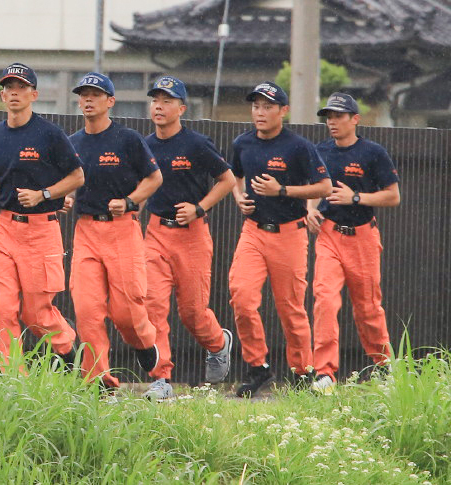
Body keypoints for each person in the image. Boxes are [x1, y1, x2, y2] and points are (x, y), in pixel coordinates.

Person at [0, 63, 84, 366]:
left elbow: (77, 177)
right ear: (2, 96)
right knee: (1, 309)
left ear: (34, 94)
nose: (14, 92)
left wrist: (44, 195)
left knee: (36, 315)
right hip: (5, 230)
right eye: (9, 87)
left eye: (21, 87)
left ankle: (70, 351)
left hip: (42, 231)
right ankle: (9, 375)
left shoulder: (50, 134)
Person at [229, 81, 332, 398]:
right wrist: (238, 197)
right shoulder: (242, 143)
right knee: (242, 297)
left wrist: (282, 190)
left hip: (289, 233)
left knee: (291, 308)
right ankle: (257, 367)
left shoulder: (298, 146)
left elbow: (324, 187)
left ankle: (302, 372)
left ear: (283, 111)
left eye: (267, 107)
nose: (260, 112)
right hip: (253, 231)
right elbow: (234, 176)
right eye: (256, 106)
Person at [141, 76, 236, 400]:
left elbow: (227, 180)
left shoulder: (196, 144)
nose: (159, 107)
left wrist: (199, 207)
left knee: (193, 312)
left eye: (166, 101)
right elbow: (140, 187)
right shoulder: (145, 146)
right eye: (155, 100)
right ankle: (161, 379)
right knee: (153, 305)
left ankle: (218, 343)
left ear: (181, 109)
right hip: (156, 233)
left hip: (193, 237)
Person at [67, 72, 162, 391]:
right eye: (84, 95)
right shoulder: (73, 143)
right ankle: (98, 380)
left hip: (122, 231)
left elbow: (154, 178)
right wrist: (64, 198)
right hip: (86, 231)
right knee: (87, 310)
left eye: (95, 94)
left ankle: (144, 341)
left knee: (126, 312)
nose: (88, 99)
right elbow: (68, 182)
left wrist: (130, 201)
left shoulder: (127, 139)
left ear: (110, 101)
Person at [307, 93, 400, 394]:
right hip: (329, 235)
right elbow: (314, 188)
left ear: (355, 119)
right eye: (329, 117)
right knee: (325, 300)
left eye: (338, 116)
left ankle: (384, 366)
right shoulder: (320, 151)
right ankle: (325, 373)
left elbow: (393, 196)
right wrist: (310, 209)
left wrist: (355, 197)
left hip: (362, 237)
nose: (332, 122)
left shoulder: (373, 152)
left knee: (367, 308)